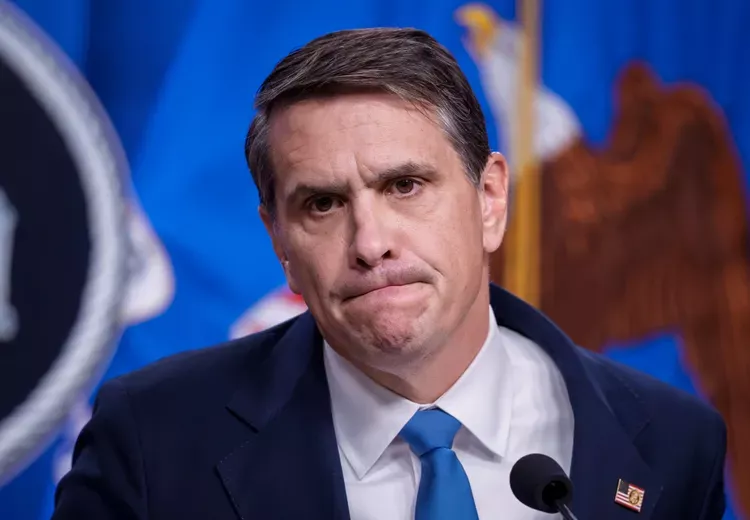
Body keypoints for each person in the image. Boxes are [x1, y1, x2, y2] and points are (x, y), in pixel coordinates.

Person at [52, 28, 727, 520]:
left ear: (491, 200)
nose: (370, 244)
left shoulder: (673, 441)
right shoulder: (153, 440)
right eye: (322, 204)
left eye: (405, 185)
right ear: (278, 239)